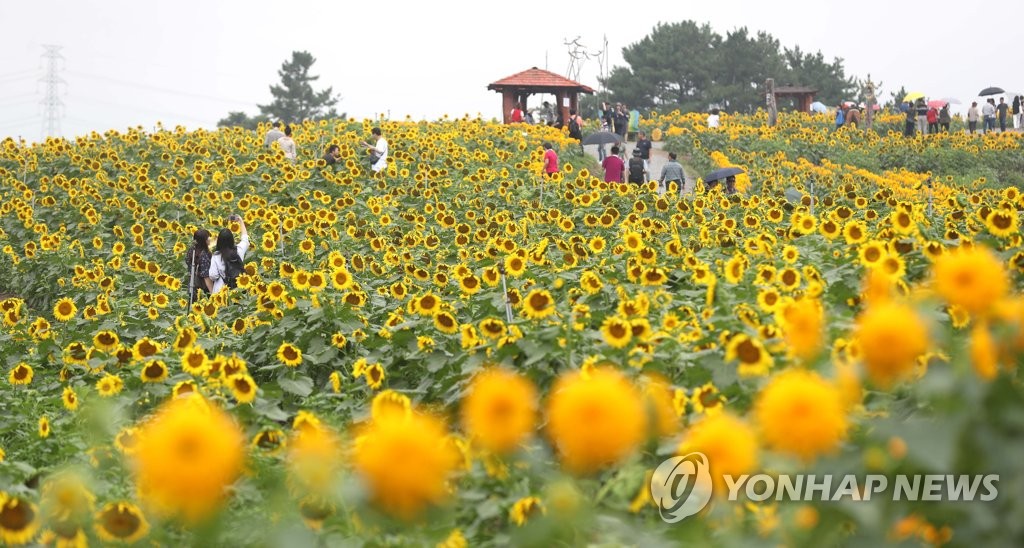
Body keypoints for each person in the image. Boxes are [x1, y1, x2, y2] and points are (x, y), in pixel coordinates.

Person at [209, 216, 249, 294]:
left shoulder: (216, 256)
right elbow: (245, 238)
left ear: (219, 241)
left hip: (221, 291)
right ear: (232, 239)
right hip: (238, 288)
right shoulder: (239, 250)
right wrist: (241, 220)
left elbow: (213, 275)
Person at [184, 229, 213, 305]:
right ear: (204, 241)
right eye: (208, 237)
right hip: (202, 290)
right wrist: (213, 294)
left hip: (192, 285)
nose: (210, 238)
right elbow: (206, 276)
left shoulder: (191, 250)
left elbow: (187, 262)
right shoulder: (204, 255)